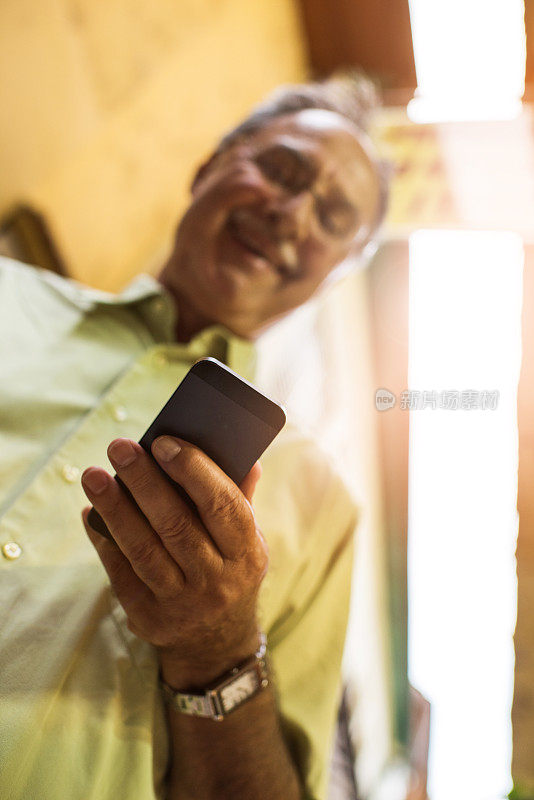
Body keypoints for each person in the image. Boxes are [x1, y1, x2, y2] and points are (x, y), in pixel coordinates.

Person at [0, 75, 386, 800]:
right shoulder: (7, 297)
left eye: (334, 218)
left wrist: (220, 646)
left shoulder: (325, 507)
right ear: (208, 165)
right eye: (282, 169)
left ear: (333, 275)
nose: (293, 214)